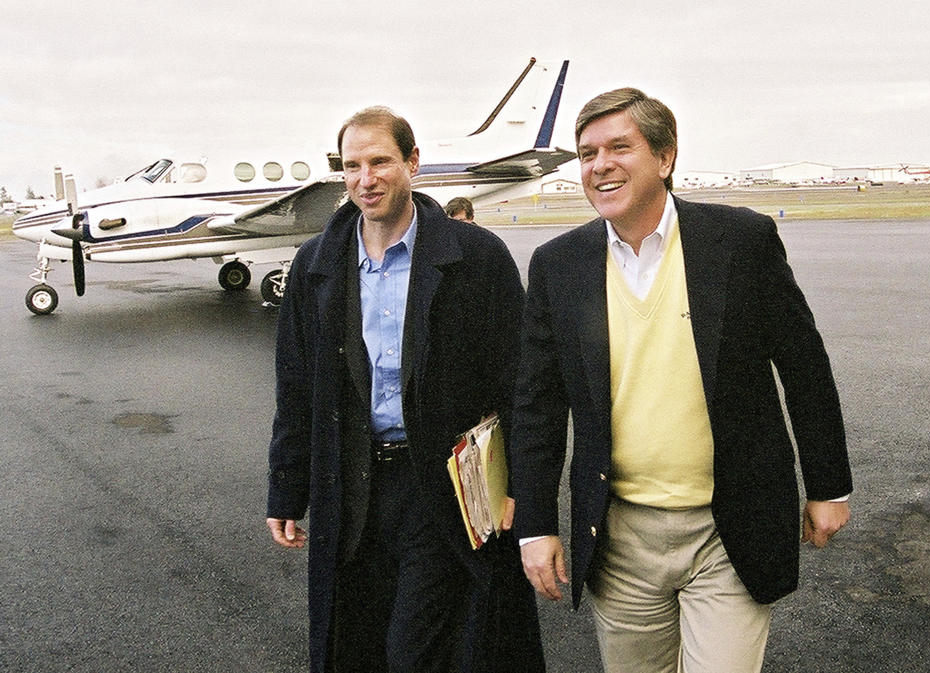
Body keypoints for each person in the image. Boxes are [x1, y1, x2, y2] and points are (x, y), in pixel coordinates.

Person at [509, 88, 853, 673]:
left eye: (620, 147)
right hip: (619, 538)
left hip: (727, 526)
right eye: (587, 153)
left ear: (665, 158)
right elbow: (536, 407)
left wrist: (829, 484)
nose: (599, 165)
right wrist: (535, 526)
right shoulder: (558, 265)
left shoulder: (740, 241)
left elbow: (804, 364)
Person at [266, 106, 543, 673]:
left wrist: (522, 487)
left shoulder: (477, 258)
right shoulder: (315, 266)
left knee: (421, 649)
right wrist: (287, 488)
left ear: (413, 163)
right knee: (359, 641)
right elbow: (296, 386)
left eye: (380, 162)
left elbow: (519, 381)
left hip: (440, 484)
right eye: (352, 166)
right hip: (353, 486)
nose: (365, 179)